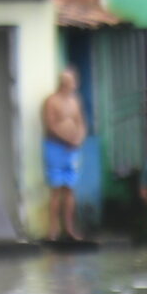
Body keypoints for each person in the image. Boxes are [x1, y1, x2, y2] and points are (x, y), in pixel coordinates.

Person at [41, 69, 87, 244]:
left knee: (70, 188)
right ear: (63, 83)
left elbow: (81, 123)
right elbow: (50, 125)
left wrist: (78, 139)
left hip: (72, 149)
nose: (73, 84)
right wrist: (67, 138)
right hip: (55, 147)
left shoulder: (75, 101)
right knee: (56, 189)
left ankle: (69, 228)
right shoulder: (52, 101)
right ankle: (53, 229)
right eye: (70, 81)